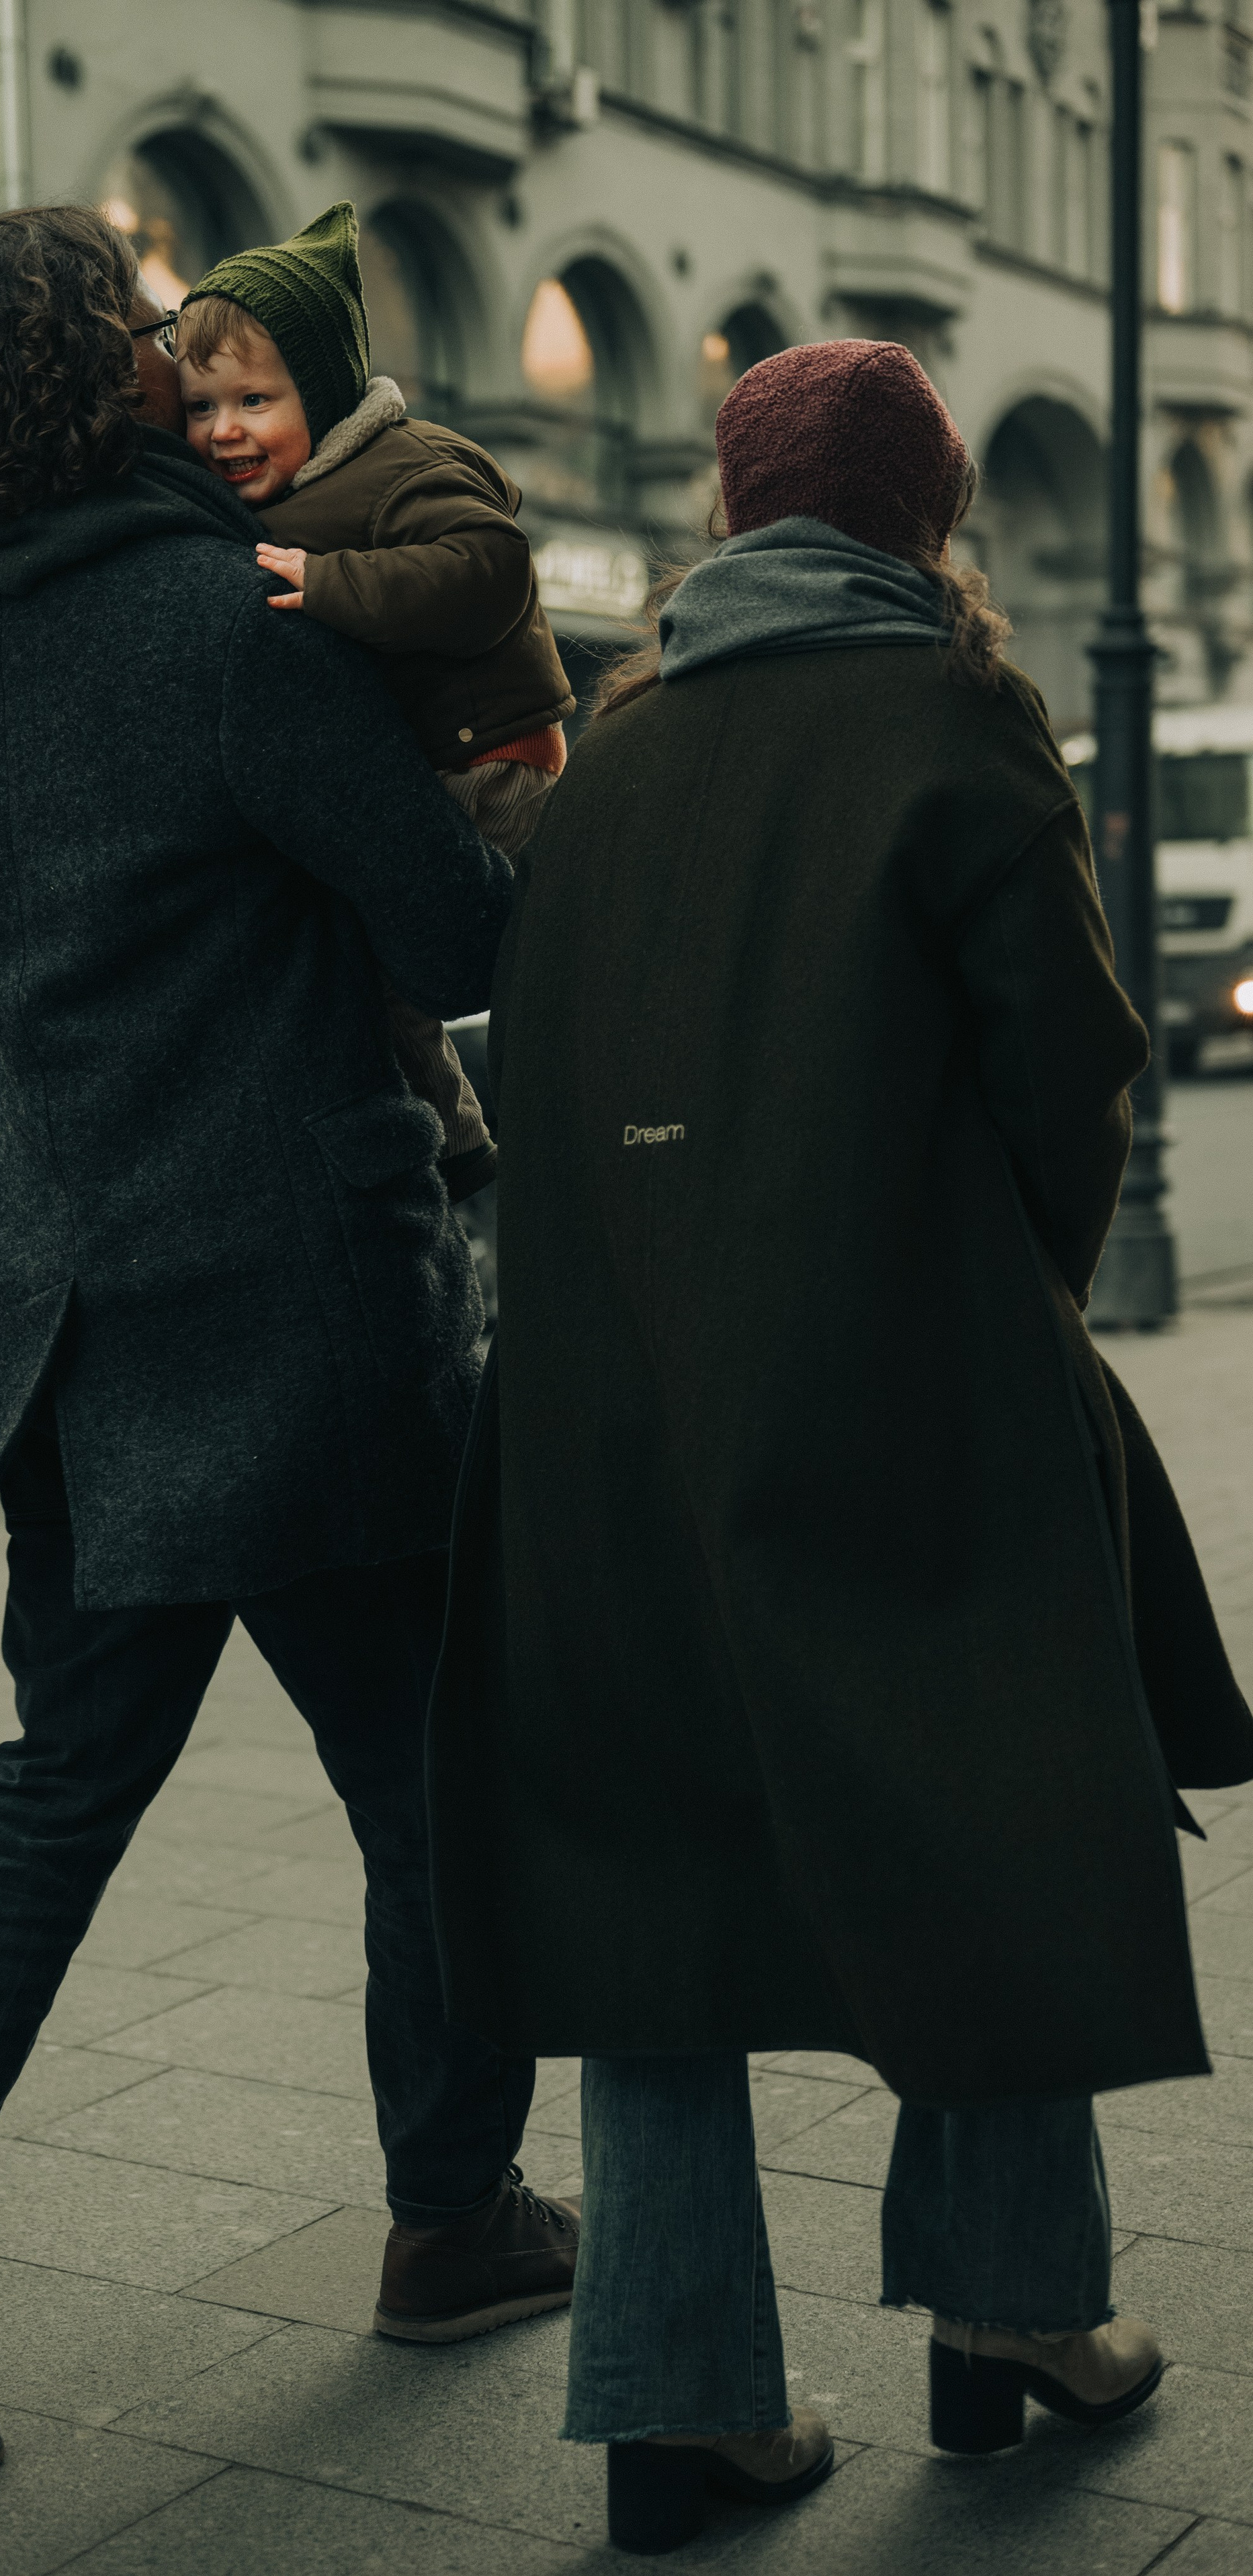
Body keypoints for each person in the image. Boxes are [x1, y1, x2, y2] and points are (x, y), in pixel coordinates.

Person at [0, 204, 578, 2496]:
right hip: (303, 1322)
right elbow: (458, 931)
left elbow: (2, 993)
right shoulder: (227, 625)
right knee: (439, 1774)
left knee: (54, 1789)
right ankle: (455, 2213)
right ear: (123, 388)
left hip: (64, 1318)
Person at [425, 339, 1253, 2555]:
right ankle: (1010, 2316)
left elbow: (544, 1083)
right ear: (924, 515)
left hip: (606, 1419)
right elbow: (1072, 1071)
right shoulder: (953, 718)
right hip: (906, 1381)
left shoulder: (613, 752)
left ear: (728, 513)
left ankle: (679, 2401)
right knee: (997, 1813)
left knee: (647, 1884)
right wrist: (1019, 1285)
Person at [173, 200, 574, 1204]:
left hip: (490, 755)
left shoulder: (394, 470)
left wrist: (334, 585)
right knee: (380, 976)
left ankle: (466, 1144)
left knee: (384, 964)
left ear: (324, 389)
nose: (224, 431)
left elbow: (490, 564)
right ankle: (464, 1144)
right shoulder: (296, 490)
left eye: (254, 402)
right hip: (449, 748)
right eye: (199, 409)